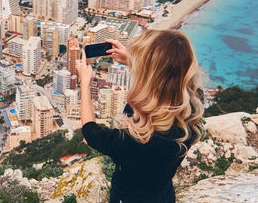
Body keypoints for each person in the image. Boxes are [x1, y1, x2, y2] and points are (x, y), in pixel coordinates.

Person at [76, 30, 204, 203]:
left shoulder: (136, 140)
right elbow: (168, 80)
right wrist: (133, 61)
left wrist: (85, 84)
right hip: (163, 195)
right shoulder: (192, 110)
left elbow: (91, 132)